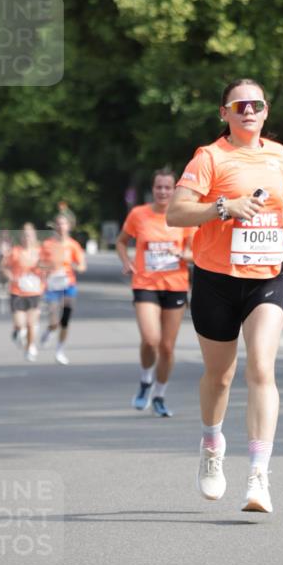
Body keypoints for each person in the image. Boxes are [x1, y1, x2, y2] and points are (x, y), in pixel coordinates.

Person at [167, 79, 283, 513]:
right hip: (216, 280)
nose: (249, 110)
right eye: (240, 105)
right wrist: (222, 208)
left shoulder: (279, 154)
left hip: (267, 276)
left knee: (262, 368)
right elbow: (176, 213)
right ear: (225, 113)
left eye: (257, 104)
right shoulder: (209, 158)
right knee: (220, 377)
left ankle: (258, 477)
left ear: (266, 112)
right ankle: (212, 445)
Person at [116, 168, 195, 417]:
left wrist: (184, 255)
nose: (163, 192)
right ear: (153, 189)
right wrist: (126, 261)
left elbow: (196, 252)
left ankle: (159, 395)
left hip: (175, 285)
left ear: (175, 190)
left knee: (168, 348)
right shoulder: (139, 214)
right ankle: (145, 380)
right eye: (159, 187)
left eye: (168, 187)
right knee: (151, 340)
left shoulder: (184, 216)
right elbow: (121, 241)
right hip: (145, 283)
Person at [39, 213, 86, 365]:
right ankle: (49, 331)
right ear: (55, 226)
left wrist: (76, 267)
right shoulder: (47, 244)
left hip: (68, 284)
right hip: (52, 285)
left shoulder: (73, 245)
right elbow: (39, 263)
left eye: (64, 224)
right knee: (54, 321)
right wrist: (48, 267)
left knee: (65, 320)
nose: (61, 227)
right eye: (58, 224)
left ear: (69, 226)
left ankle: (60, 350)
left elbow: (82, 266)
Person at [2, 223, 44, 361]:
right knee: (21, 324)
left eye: (30, 235)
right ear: (21, 236)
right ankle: (17, 332)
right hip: (18, 292)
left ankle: (30, 347)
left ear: (34, 236)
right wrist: (10, 276)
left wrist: (44, 269)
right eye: (24, 235)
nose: (27, 237)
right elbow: (4, 267)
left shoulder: (40, 252)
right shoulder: (14, 252)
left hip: (34, 292)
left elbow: (49, 266)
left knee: (31, 324)